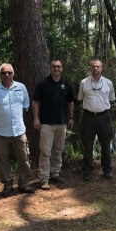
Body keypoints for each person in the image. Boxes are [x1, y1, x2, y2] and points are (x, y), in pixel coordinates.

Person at [0, 63, 35, 197]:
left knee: (24, 158)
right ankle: (7, 185)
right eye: (4, 73)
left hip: (18, 131)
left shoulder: (21, 87)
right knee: (2, 160)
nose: (7, 75)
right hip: (0, 132)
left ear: (13, 74)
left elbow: (25, 106)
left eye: (9, 72)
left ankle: (24, 184)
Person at [32, 60, 75, 190]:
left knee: (58, 150)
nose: (56, 69)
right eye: (54, 66)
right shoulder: (42, 83)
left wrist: (71, 117)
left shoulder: (66, 84)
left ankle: (55, 173)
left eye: (58, 67)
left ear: (62, 69)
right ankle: (44, 178)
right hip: (46, 123)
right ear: (50, 68)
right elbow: (35, 102)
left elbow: (71, 102)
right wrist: (36, 119)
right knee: (45, 151)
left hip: (62, 123)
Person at [77, 59, 116, 181]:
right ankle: (88, 170)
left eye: (98, 66)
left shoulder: (108, 83)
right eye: (93, 66)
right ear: (90, 68)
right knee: (88, 145)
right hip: (88, 117)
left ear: (101, 68)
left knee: (105, 144)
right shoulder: (84, 83)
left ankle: (107, 169)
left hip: (104, 117)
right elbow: (81, 99)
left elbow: (111, 99)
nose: (96, 69)